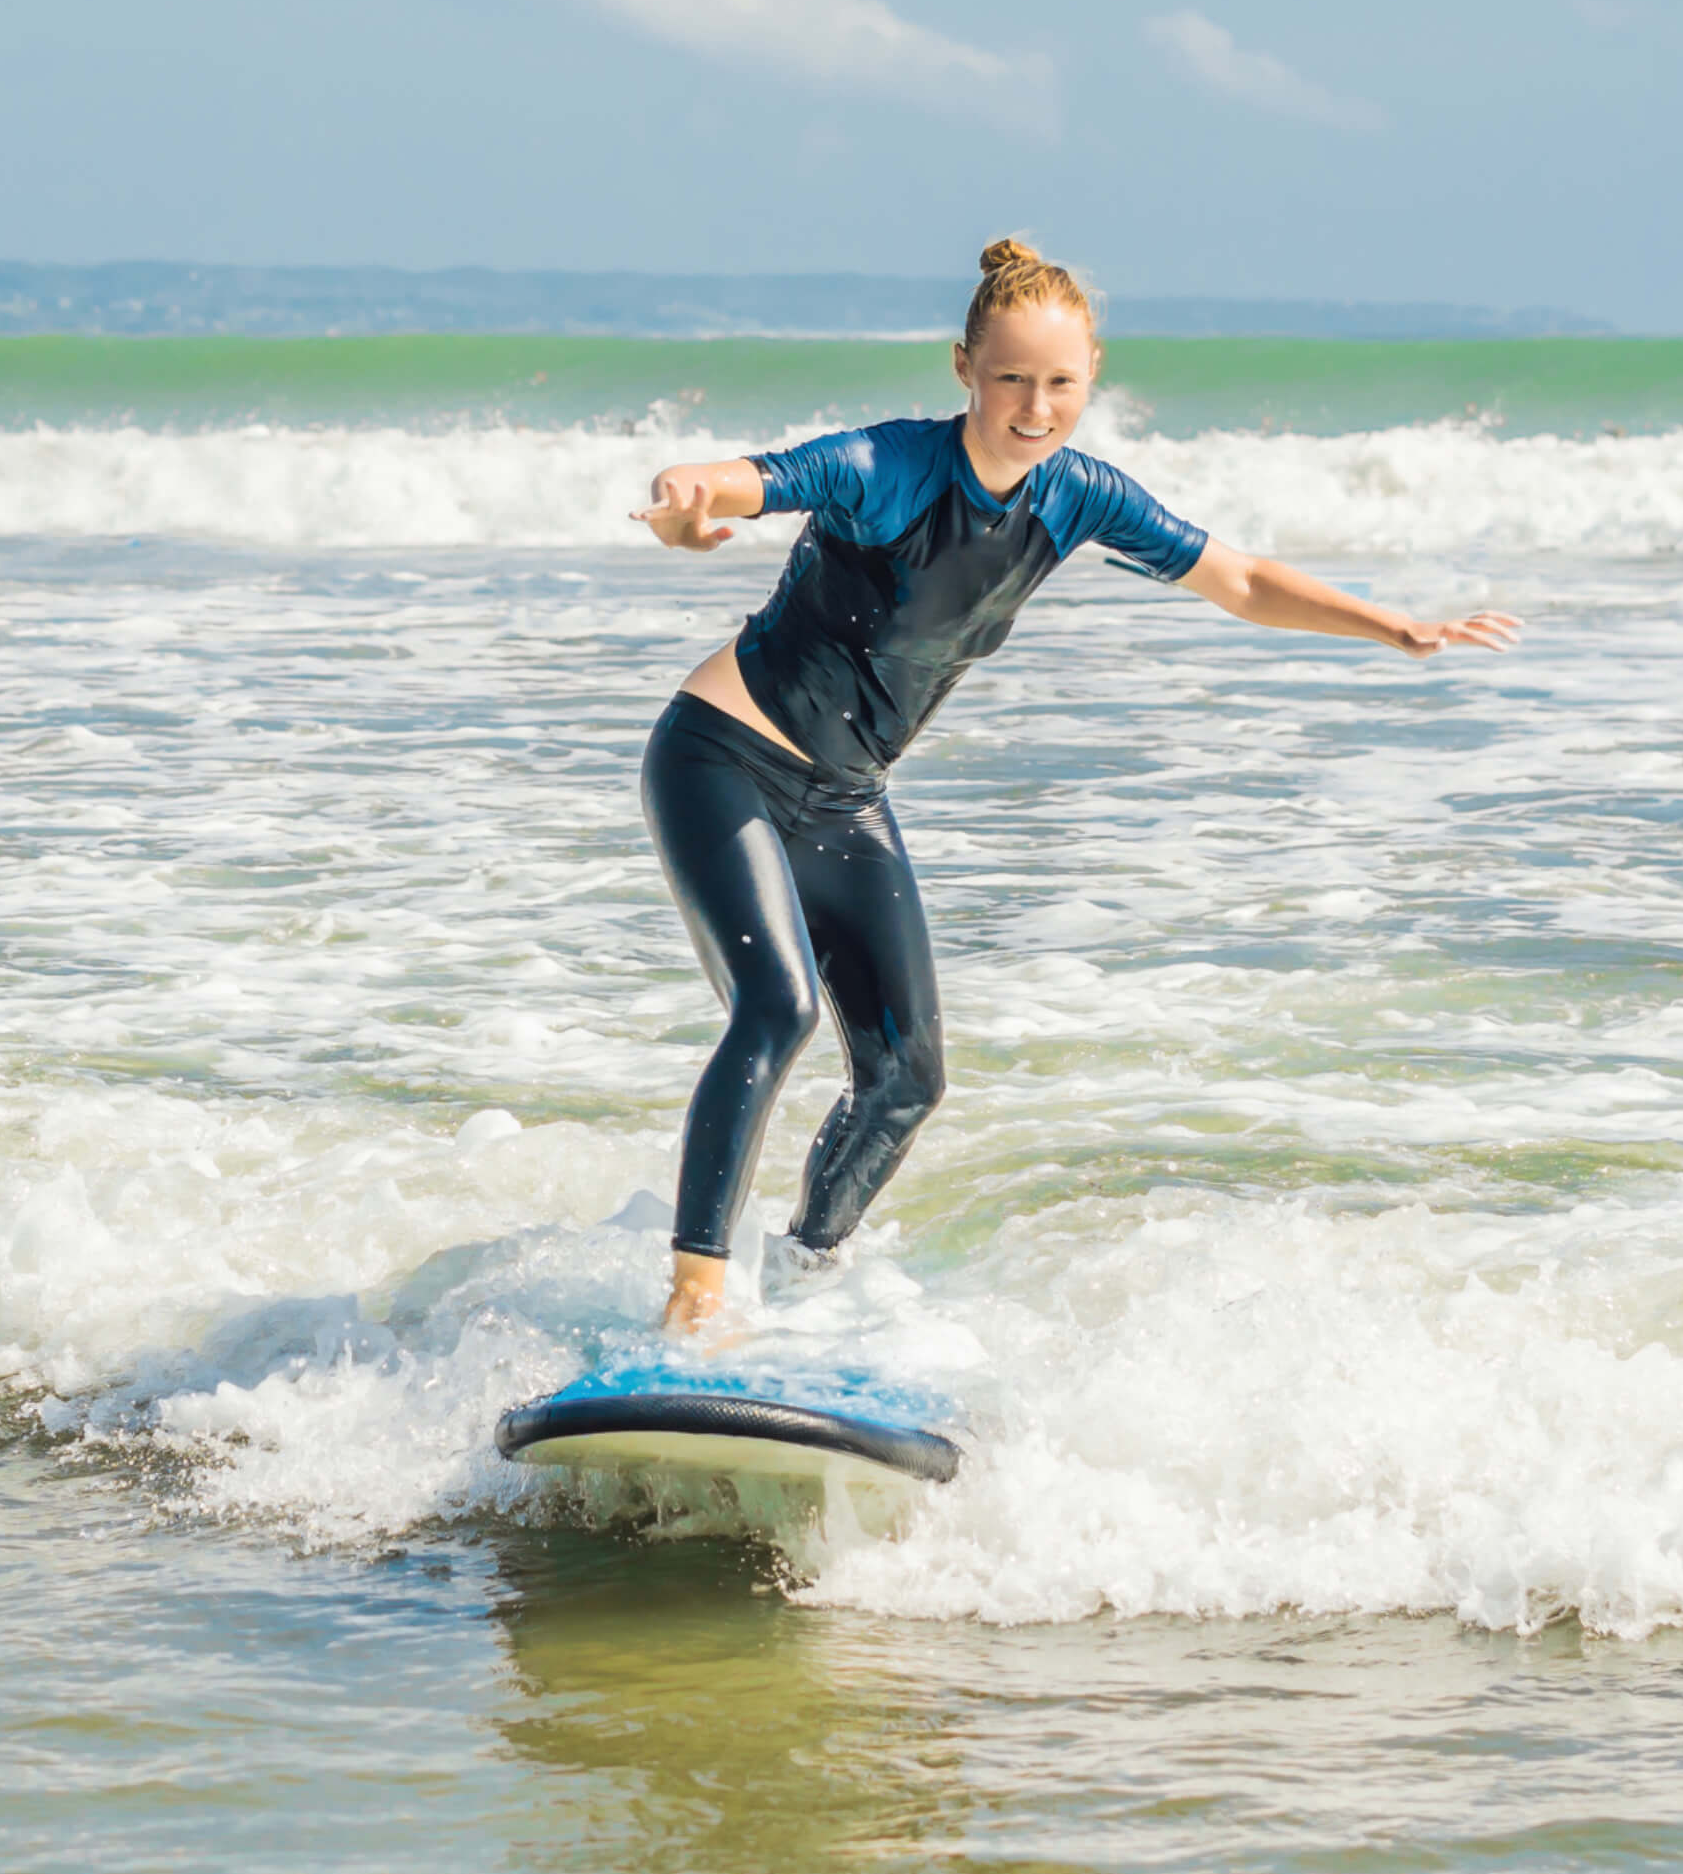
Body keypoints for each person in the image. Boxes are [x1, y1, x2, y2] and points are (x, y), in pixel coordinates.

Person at [632, 237, 1518, 1334]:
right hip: (723, 758)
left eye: (1059, 381)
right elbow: (746, 479)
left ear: (1092, 372)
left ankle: (802, 1276)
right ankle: (693, 1299)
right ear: (963, 368)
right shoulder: (887, 468)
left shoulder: (1078, 496)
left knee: (906, 1078)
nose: (1034, 405)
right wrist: (684, 500)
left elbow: (1237, 578)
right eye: (1010, 377)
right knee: (778, 1010)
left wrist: (1393, 625)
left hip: (843, 795)